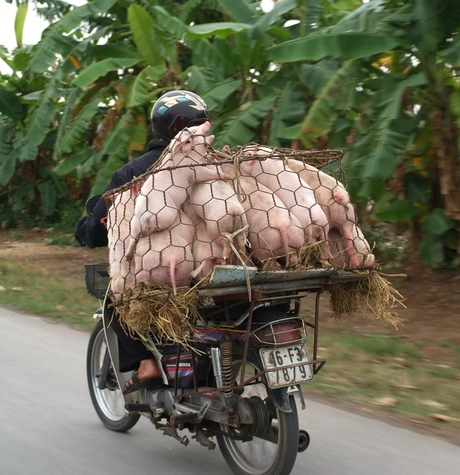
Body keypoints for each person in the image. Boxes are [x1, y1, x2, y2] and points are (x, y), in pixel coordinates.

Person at [75, 90, 211, 394]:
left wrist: (84, 228)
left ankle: (145, 364)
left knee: (116, 294)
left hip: (161, 273)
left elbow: (98, 229)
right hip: (213, 268)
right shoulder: (217, 163)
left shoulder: (134, 171)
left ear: (160, 128)